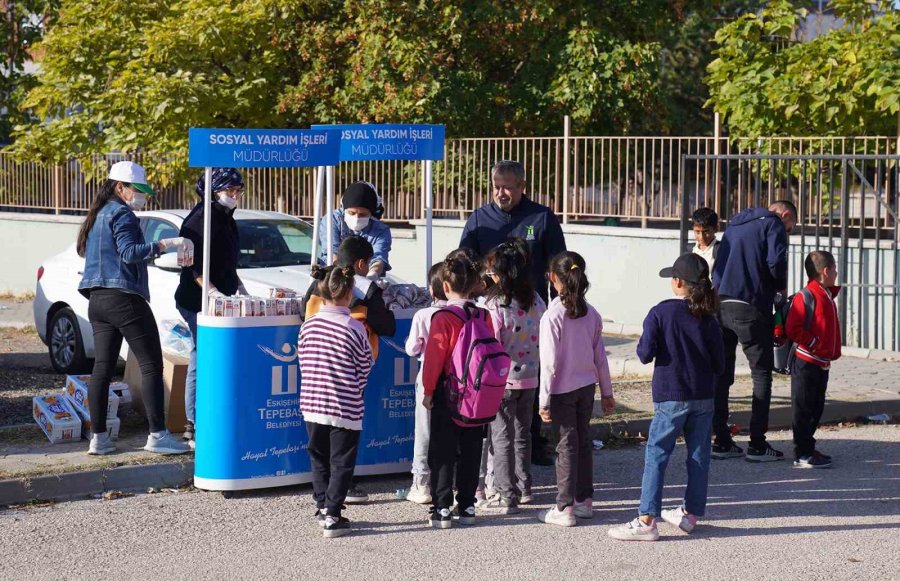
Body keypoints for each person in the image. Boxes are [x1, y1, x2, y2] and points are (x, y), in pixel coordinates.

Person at [76, 161, 192, 456]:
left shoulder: (98, 214)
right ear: (119, 187)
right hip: (124, 298)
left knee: (102, 369)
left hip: (97, 300)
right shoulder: (122, 214)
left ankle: (99, 439)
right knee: (152, 364)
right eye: (137, 190)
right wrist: (164, 244)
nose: (142, 196)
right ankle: (158, 436)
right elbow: (129, 253)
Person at [608, 253, 725, 541]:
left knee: (657, 455)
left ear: (677, 282)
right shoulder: (709, 317)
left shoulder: (661, 312)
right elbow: (720, 364)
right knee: (698, 456)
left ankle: (647, 519)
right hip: (703, 395)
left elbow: (644, 354)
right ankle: (691, 514)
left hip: (671, 395)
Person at [459, 160, 567, 466]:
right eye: (496, 186)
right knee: (492, 378)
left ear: (522, 186)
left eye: (507, 186)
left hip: (530, 316)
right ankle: (489, 440)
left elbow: (557, 263)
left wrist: (563, 305)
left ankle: (532, 442)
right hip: (491, 315)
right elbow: (464, 259)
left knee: (528, 380)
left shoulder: (541, 218)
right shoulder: (480, 219)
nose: (501, 192)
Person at [303, 235, 395, 503]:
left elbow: (301, 314)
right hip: (347, 382)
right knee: (342, 448)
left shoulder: (319, 282)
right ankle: (339, 498)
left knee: (319, 449)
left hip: (314, 383)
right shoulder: (364, 288)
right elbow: (388, 327)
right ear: (362, 263)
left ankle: (323, 503)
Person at [711, 200, 797, 462]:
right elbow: (775, 262)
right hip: (750, 306)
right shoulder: (773, 224)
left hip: (721, 303)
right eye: (790, 227)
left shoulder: (735, 223)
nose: (788, 232)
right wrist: (779, 289)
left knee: (722, 375)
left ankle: (721, 441)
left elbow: (719, 263)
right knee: (761, 375)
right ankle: (758, 444)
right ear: (784, 215)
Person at [538, 251, 614, 527]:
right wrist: (607, 391)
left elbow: (548, 363)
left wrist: (543, 400)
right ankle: (584, 501)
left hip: (560, 390)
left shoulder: (553, 316)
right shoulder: (591, 313)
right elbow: (600, 357)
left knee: (565, 446)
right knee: (582, 442)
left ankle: (565, 506)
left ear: (553, 278)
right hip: (586, 388)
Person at [298, 264, 374, 539]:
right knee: (341, 461)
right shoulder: (354, 327)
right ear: (350, 292)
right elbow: (365, 364)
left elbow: (303, 359)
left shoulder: (309, 325)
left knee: (318, 456)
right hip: (344, 404)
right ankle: (332, 512)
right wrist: (355, 388)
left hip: (312, 403)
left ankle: (322, 505)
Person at [174, 168, 248, 446]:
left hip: (222, 299)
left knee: (214, 355)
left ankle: (214, 415)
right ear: (213, 191)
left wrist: (238, 287)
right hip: (196, 300)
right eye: (229, 191)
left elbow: (226, 262)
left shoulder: (227, 218)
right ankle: (192, 421)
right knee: (202, 354)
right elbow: (190, 265)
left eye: (238, 191)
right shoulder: (197, 221)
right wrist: (212, 290)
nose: (235, 196)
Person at [421, 251, 489, 529]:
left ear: (445, 287)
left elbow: (434, 358)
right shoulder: (484, 315)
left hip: (448, 392)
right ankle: (468, 506)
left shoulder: (443, 317)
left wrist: (427, 390)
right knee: (472, 449)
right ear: (474, 284)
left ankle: (442, 508)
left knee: (443, 450)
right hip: (478, 393)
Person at [480, 239, 546, 514]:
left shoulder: (493, 305)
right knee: (523, 434)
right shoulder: (536, 300)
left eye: (492, 273)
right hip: (531, 376)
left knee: (501, 436)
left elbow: (490, 344)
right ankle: (524, 486)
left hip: (501, 380)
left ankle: (506, 494)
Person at [786, 251, 841, 469]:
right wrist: (815, 341)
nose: (836, 273)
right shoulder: (807, 295)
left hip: (821, 362)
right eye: (834, 268)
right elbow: (793, 328)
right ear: (825, 271)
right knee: (803, 409)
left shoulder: (826, 294)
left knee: (815, 408)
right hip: (806, 362)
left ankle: (808, 446)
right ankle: (803, 453)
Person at [403, 263, 448, 505]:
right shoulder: (461, 313)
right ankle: (448, 480)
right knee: (450, 430)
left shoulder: (423, 315)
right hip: (456, 376)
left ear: (431, 290)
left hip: (428, 374)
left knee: (424, 429)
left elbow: (412, 348)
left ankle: (421, 483)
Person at [318, 181, 392, 279]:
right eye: (351, 213)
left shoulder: (381, 230)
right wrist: (345, 279)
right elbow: (332, 252)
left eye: (363, 215)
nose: (356, 218)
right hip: (334, 276)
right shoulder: (332, 220)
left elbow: (379, 258)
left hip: (365, 277)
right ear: (344, 208)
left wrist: (371, 277)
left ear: (371, 214)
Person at [690, 207, 720, 275]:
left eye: (706, 232)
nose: (701, 237)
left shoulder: (720, 251)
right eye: (697, 232)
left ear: (715, 229)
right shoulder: (690, 250)